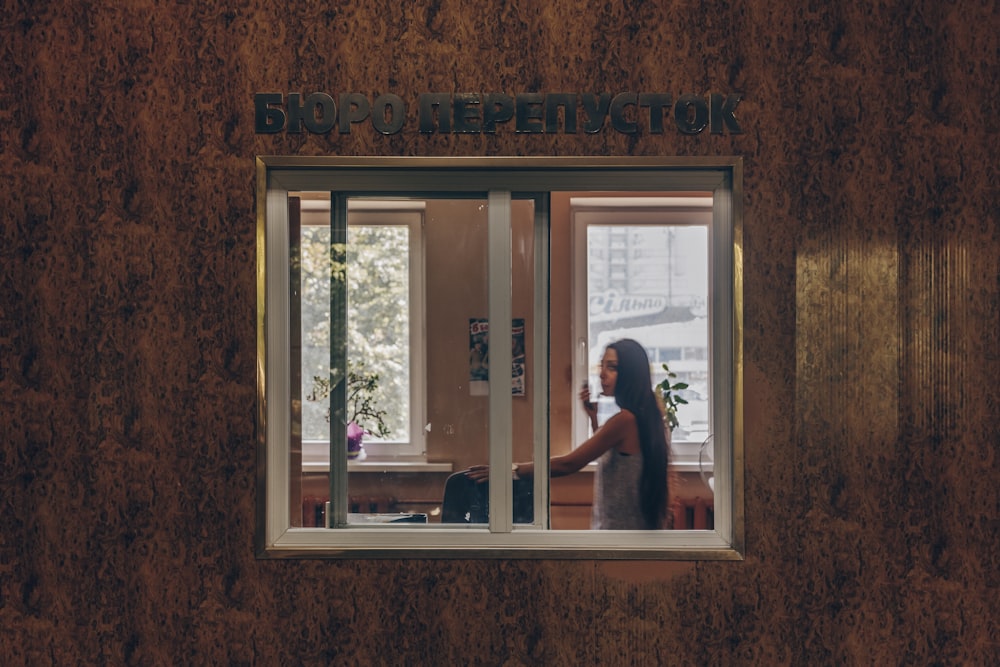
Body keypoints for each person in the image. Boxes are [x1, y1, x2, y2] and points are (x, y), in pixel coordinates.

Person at [466, 339, 670, 530]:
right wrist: (593, 419)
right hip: (628, 536)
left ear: (631, 374)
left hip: (618, 540)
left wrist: (511, 470)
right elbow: (616, 454)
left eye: (612, 367)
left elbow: (569, 463)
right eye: (602, 366)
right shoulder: (647, 417)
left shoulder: (624, 420)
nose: (602, 374)